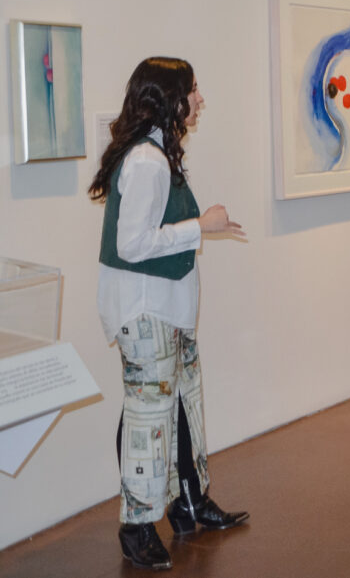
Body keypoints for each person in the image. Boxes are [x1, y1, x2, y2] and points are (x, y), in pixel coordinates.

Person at [88, 58, 248, 571]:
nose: (199, 100)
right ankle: (136, 526)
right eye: (193, 91)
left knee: (178, 408)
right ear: (168, 100)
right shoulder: (147, 163)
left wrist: (200, 228)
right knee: (148, 418)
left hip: (165, 311)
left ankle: (188, 502)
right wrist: (203, 226)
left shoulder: (157, 155)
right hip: (146, 312)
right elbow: (131, 245)